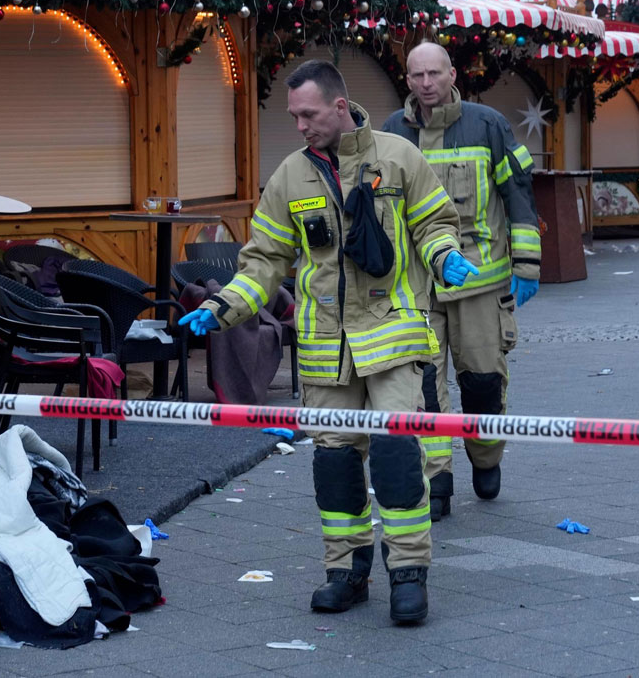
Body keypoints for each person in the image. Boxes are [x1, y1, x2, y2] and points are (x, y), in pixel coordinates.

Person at [179, 59, 477, 626]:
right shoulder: (291, 177)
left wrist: (446, 257)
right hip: (326, 351)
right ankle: (347, 572)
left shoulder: (398, 158)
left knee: (395, 457)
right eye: (293, 116)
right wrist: (221, 308)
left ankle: (409, 575)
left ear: (340, 107)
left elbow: (434, 224)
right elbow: (264, 261)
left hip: (393, 337)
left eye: (308, 114)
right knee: (335, 465)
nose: (300, 126)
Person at [381, 43, 541, 522]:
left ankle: (486, 456)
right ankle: (437, 481)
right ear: (406, 79)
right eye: (417, 75)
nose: (426, 83)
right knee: (424, 386)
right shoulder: (391, 133)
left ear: (452, 74)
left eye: (434, 73)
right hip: (418, 287)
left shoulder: (487, 124)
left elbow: (518, 193)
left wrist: (527, 264)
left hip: (481, 286)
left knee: (483, 383)